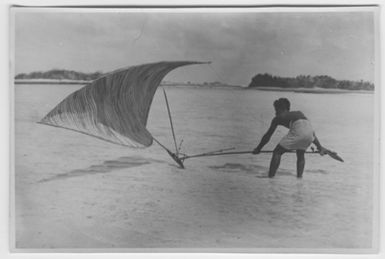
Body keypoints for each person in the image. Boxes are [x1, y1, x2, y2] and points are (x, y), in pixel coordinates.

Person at [252, 98, 327, 178]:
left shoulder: (278, 118)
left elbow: (267, 136)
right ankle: (299, 178)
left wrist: (258, 148)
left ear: (282, 109)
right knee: (300, 153)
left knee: (277, 152)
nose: (275, 113)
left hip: (300, 132)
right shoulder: (299, 113)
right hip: (310, 134)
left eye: (276, 110)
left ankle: (270, 178)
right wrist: (320, 147)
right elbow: (309, 133)